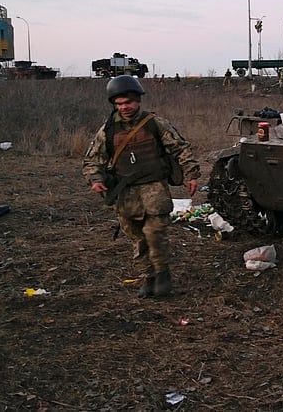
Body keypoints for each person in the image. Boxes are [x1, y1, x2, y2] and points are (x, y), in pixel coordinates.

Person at [83, 75, 200, 298]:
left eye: (128, 102)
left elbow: (181, 148)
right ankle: (148, 276)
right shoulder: (108, 130)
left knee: (154, 233)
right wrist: (96, 180)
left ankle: (163, 274)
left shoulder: (155, 124)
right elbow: (92, 159)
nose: (124, 107)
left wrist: (191, 174)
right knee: (138, 238)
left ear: (137, 101)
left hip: (154, 188)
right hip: (125, 194)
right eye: (119, 104)